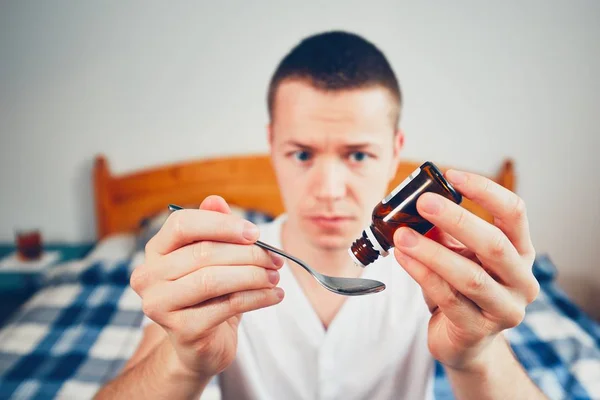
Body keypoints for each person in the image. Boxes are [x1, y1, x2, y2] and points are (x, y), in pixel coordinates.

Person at [95, 31, 546, 399]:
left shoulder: (444, 273)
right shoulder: (215, 268)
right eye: (302, 153)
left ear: (395, 154)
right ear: (273, 146)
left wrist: (477, 354)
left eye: (358, 155)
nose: (329, 191)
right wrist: (183, 360)